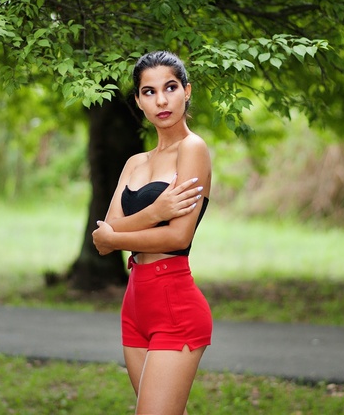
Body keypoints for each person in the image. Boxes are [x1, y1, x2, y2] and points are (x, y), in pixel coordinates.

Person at [92, 51, 212, 415]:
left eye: (170, 87)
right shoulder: (135, 163)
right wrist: (156, 211)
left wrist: (114, 237)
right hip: (135, 305)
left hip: (174, 303)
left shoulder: (193, 149)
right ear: (138, 101)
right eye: (149, 91)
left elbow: (178, 238)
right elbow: (101, 238)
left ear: (186, 91)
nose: (161, 100)